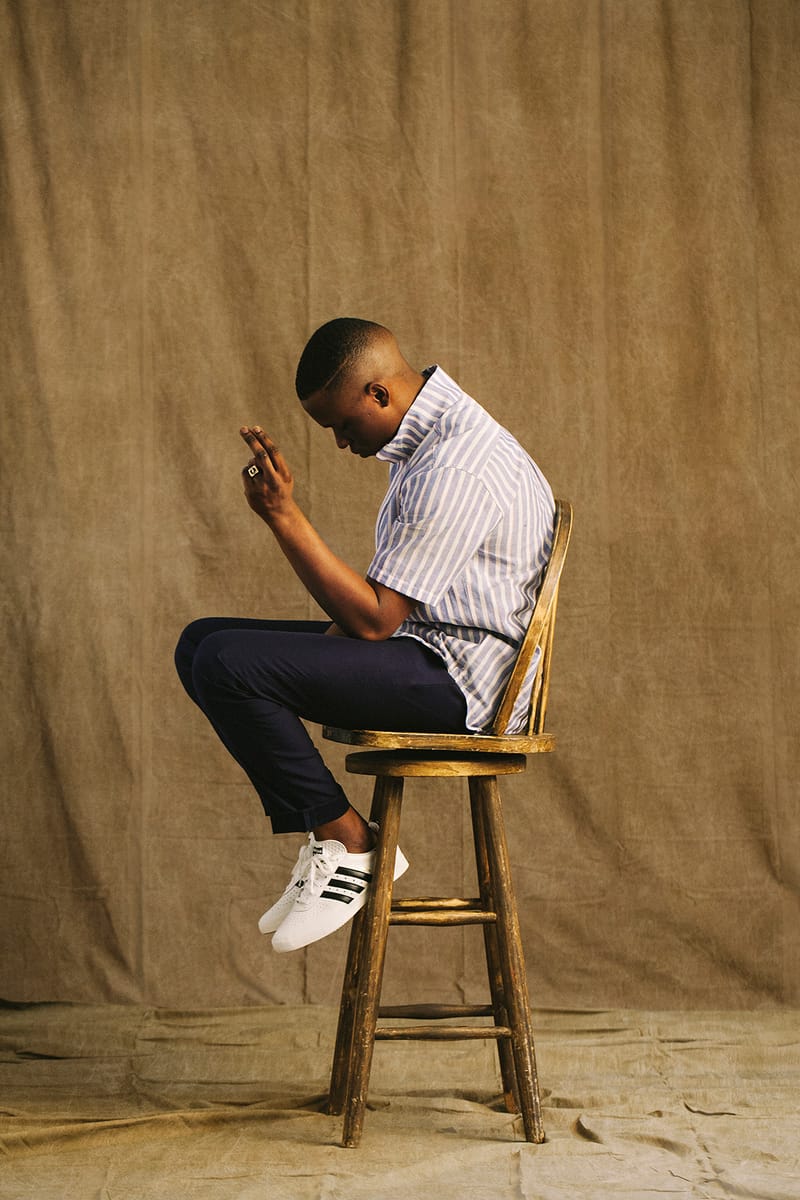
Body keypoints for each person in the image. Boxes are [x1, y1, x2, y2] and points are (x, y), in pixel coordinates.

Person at [174, 318, 555, 954]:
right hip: (424, 651)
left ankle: (349, 842)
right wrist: (319, 653)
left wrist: (284, 516)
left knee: (224, 662)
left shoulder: (456, 465)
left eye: (343, 425)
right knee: (202, 643)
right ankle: (336, 835)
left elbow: (376, 619)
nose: (341, 442)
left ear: (378, 393)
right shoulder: (432, 442)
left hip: (463, 686)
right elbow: (382, 615)